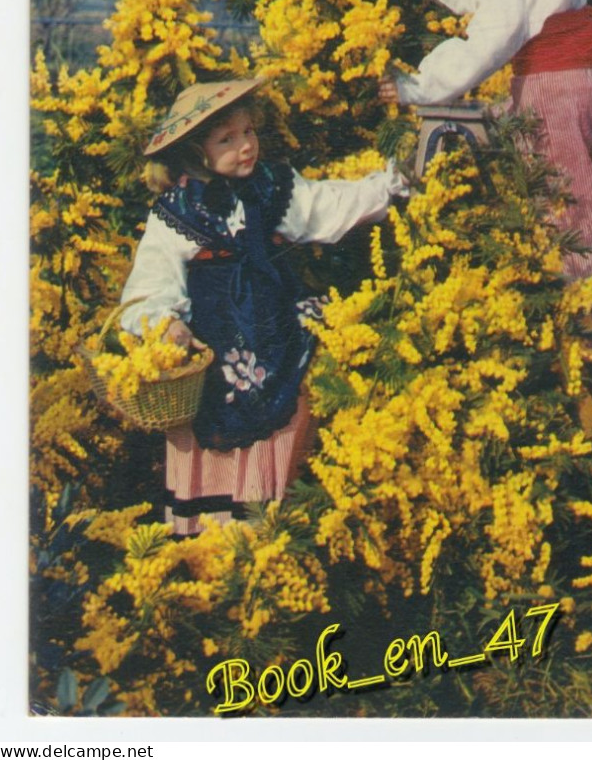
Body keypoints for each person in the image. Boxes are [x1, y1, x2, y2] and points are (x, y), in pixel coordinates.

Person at [120, 78, 407, 535]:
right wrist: (165, 321)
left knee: (297, 385)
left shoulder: (275, 187)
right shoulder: (177, 211)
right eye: (227, 140)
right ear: (197, 153)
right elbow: (152, 277)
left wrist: (390, 184)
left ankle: (271, 520)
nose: (245, 146)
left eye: (248, 132)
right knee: (211, 399)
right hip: (213, 330)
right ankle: (211, 530)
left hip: (274, 317)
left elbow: (331, 206)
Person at [379, 0, 592, 351]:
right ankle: (562, 313)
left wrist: (416, 87)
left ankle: (585, 331)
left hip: (555, 89)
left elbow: (489, 42)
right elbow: (494, 0)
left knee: (565, 207)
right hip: (558, 84)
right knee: (548, 195)